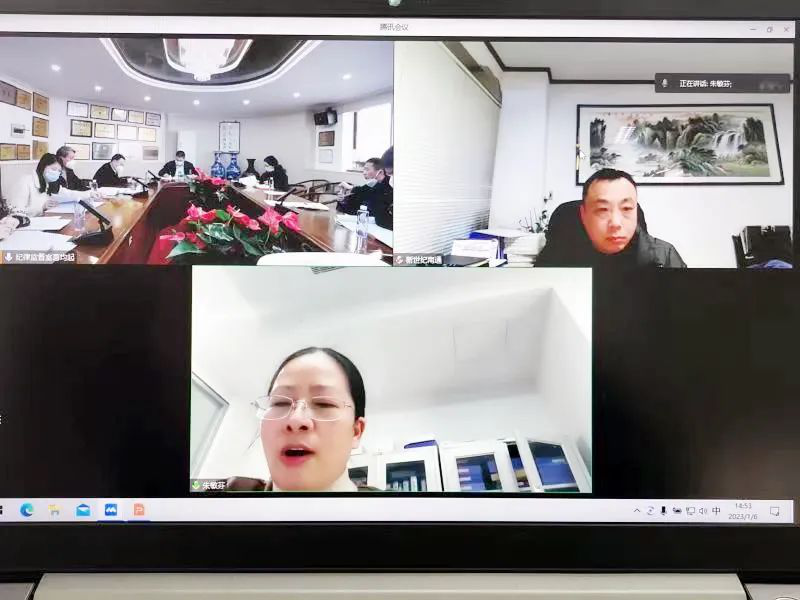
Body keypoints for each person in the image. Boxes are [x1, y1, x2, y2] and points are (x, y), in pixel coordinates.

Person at [226, 347, 372, 492]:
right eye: (280, 403)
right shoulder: (228, 493)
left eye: (324, 403)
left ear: (356, 432)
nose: (296, 420)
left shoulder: (384, 505)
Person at [535, 168, 685, 268]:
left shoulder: (663, 256)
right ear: (583, 215)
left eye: (626, 208)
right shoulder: (557, 257)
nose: (616, 223)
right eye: (603, 210)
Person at [8, 153, 97, 217]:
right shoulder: (26, 181)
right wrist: (41, 207)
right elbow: (15, 212)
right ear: (43, 166)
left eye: (59, 171)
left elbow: (68, 193)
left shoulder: (49, 183)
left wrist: (90, 193)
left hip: (42, 221)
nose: (56, 173)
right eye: (53, 169)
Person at [337, 148, 393, 230]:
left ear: (381, 172)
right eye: (364, 169)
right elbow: (356, 205)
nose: (364, 172)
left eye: (367, 169)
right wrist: (343, 200)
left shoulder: (387, 190)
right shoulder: (372, 186)